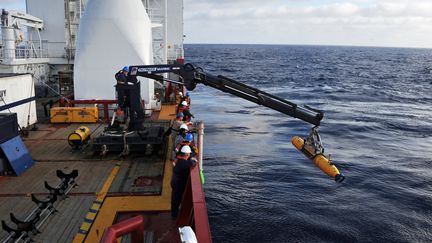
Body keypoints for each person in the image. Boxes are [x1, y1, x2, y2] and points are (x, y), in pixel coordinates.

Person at [171, 145, 197, 218]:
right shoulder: (184, 163)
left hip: (174, 182)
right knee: (177, 199)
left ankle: (174, 214)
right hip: (178, 184)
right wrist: (193, 159)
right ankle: (175, 215)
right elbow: (193, 163)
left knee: (175, 199)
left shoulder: (178, 160)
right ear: (187, 154)